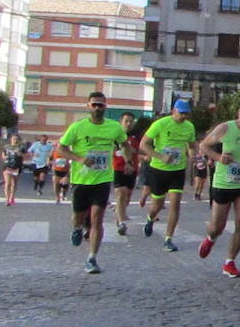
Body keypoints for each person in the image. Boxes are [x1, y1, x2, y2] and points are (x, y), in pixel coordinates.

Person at [55, 91, 127, 273]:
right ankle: (77, 227)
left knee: (97, 219)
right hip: (81, 180)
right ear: (88, 106)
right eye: (94, 104)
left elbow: (124, 144)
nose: (97, 108)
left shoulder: (114, 127)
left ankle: (92, 258)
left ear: (105, 107)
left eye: (100, 105)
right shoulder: (77, 127)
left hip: (102, 180)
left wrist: (128, 160)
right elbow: (61, 148)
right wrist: (79, 159)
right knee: (79, 216)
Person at [197, 98, 240, 278]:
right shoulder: (225, 128)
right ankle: (210, 238)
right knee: (217, 227)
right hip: (223, 184)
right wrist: (219, 157)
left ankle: (229, 262)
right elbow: (203, 146)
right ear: (239, 113)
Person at [139, 100, 197, 251]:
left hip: (177, 170)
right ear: (173, 111)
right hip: (159, 170)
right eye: (181, 113)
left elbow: (191, 145)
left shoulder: (189, 126)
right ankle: (150, 218)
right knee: (157, 205)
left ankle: (168, 239)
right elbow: (143, 144)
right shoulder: (160, 124)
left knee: (175, 203)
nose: (183, 116)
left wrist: (192, 154)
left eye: (186, 113)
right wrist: (159, 156)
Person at [112, 113, 139, 235]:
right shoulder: (114, 135)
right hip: (117, 168)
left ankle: (119, 216)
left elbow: (141, 149)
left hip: (132, 170)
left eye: (131, 122)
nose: (129, 124)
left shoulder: (136, 137)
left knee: (126, 198)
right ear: (120, 121)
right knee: (121, 194)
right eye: (126, 121)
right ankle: (122, 223)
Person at [1, 134, 25, 206]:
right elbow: (3, 154)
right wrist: (4, 157)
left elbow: (24, 155)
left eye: (16, 139)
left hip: (16, 167)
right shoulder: (6, 147)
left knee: (14, 184)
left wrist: (19, 153)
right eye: (14, 139)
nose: (15, 140)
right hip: (7, 166)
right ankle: (7, 199)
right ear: (11, 139)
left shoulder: (21, 147)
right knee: (8, 183)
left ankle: (12, 197)